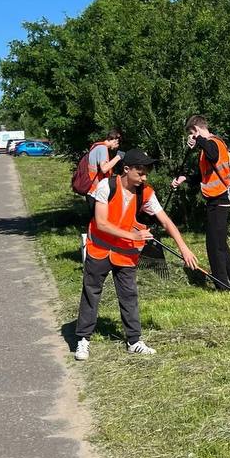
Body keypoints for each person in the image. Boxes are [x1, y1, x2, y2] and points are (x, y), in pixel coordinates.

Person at [75, 149, 198, 361]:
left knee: (129, 296)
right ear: (126, 169)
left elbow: (166, 221)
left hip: (126, 254)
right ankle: (83, 340)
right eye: (140, 172)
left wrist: (184, 248)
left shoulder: (146, 192)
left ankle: (134, 341)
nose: (144, 177)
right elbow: (102, 223)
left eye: (146, 173)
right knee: (91, 293)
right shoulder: (107, 186)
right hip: (99, 250)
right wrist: (136, 234)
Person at [171, 115, 230, 287]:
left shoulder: (214, 143)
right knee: (219, 242)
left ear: (196, 130)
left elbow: (212, 153)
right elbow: (202, 176)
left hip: (220, 198)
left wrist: (198, 140)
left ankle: (222, 284)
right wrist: (184, 178)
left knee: (214, 245)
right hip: (214, 199)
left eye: (191, 133)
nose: (191, 137)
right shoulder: (206, 148)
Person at [84, 129, 123, 217]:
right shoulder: (102, 148)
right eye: (117, 143)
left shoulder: (96, 146)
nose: (117, 146)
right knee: (99, 220)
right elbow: (104, 169)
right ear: (115, 139)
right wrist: (118, 157)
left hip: (91, 189)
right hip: (95, 190)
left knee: (95, 219)